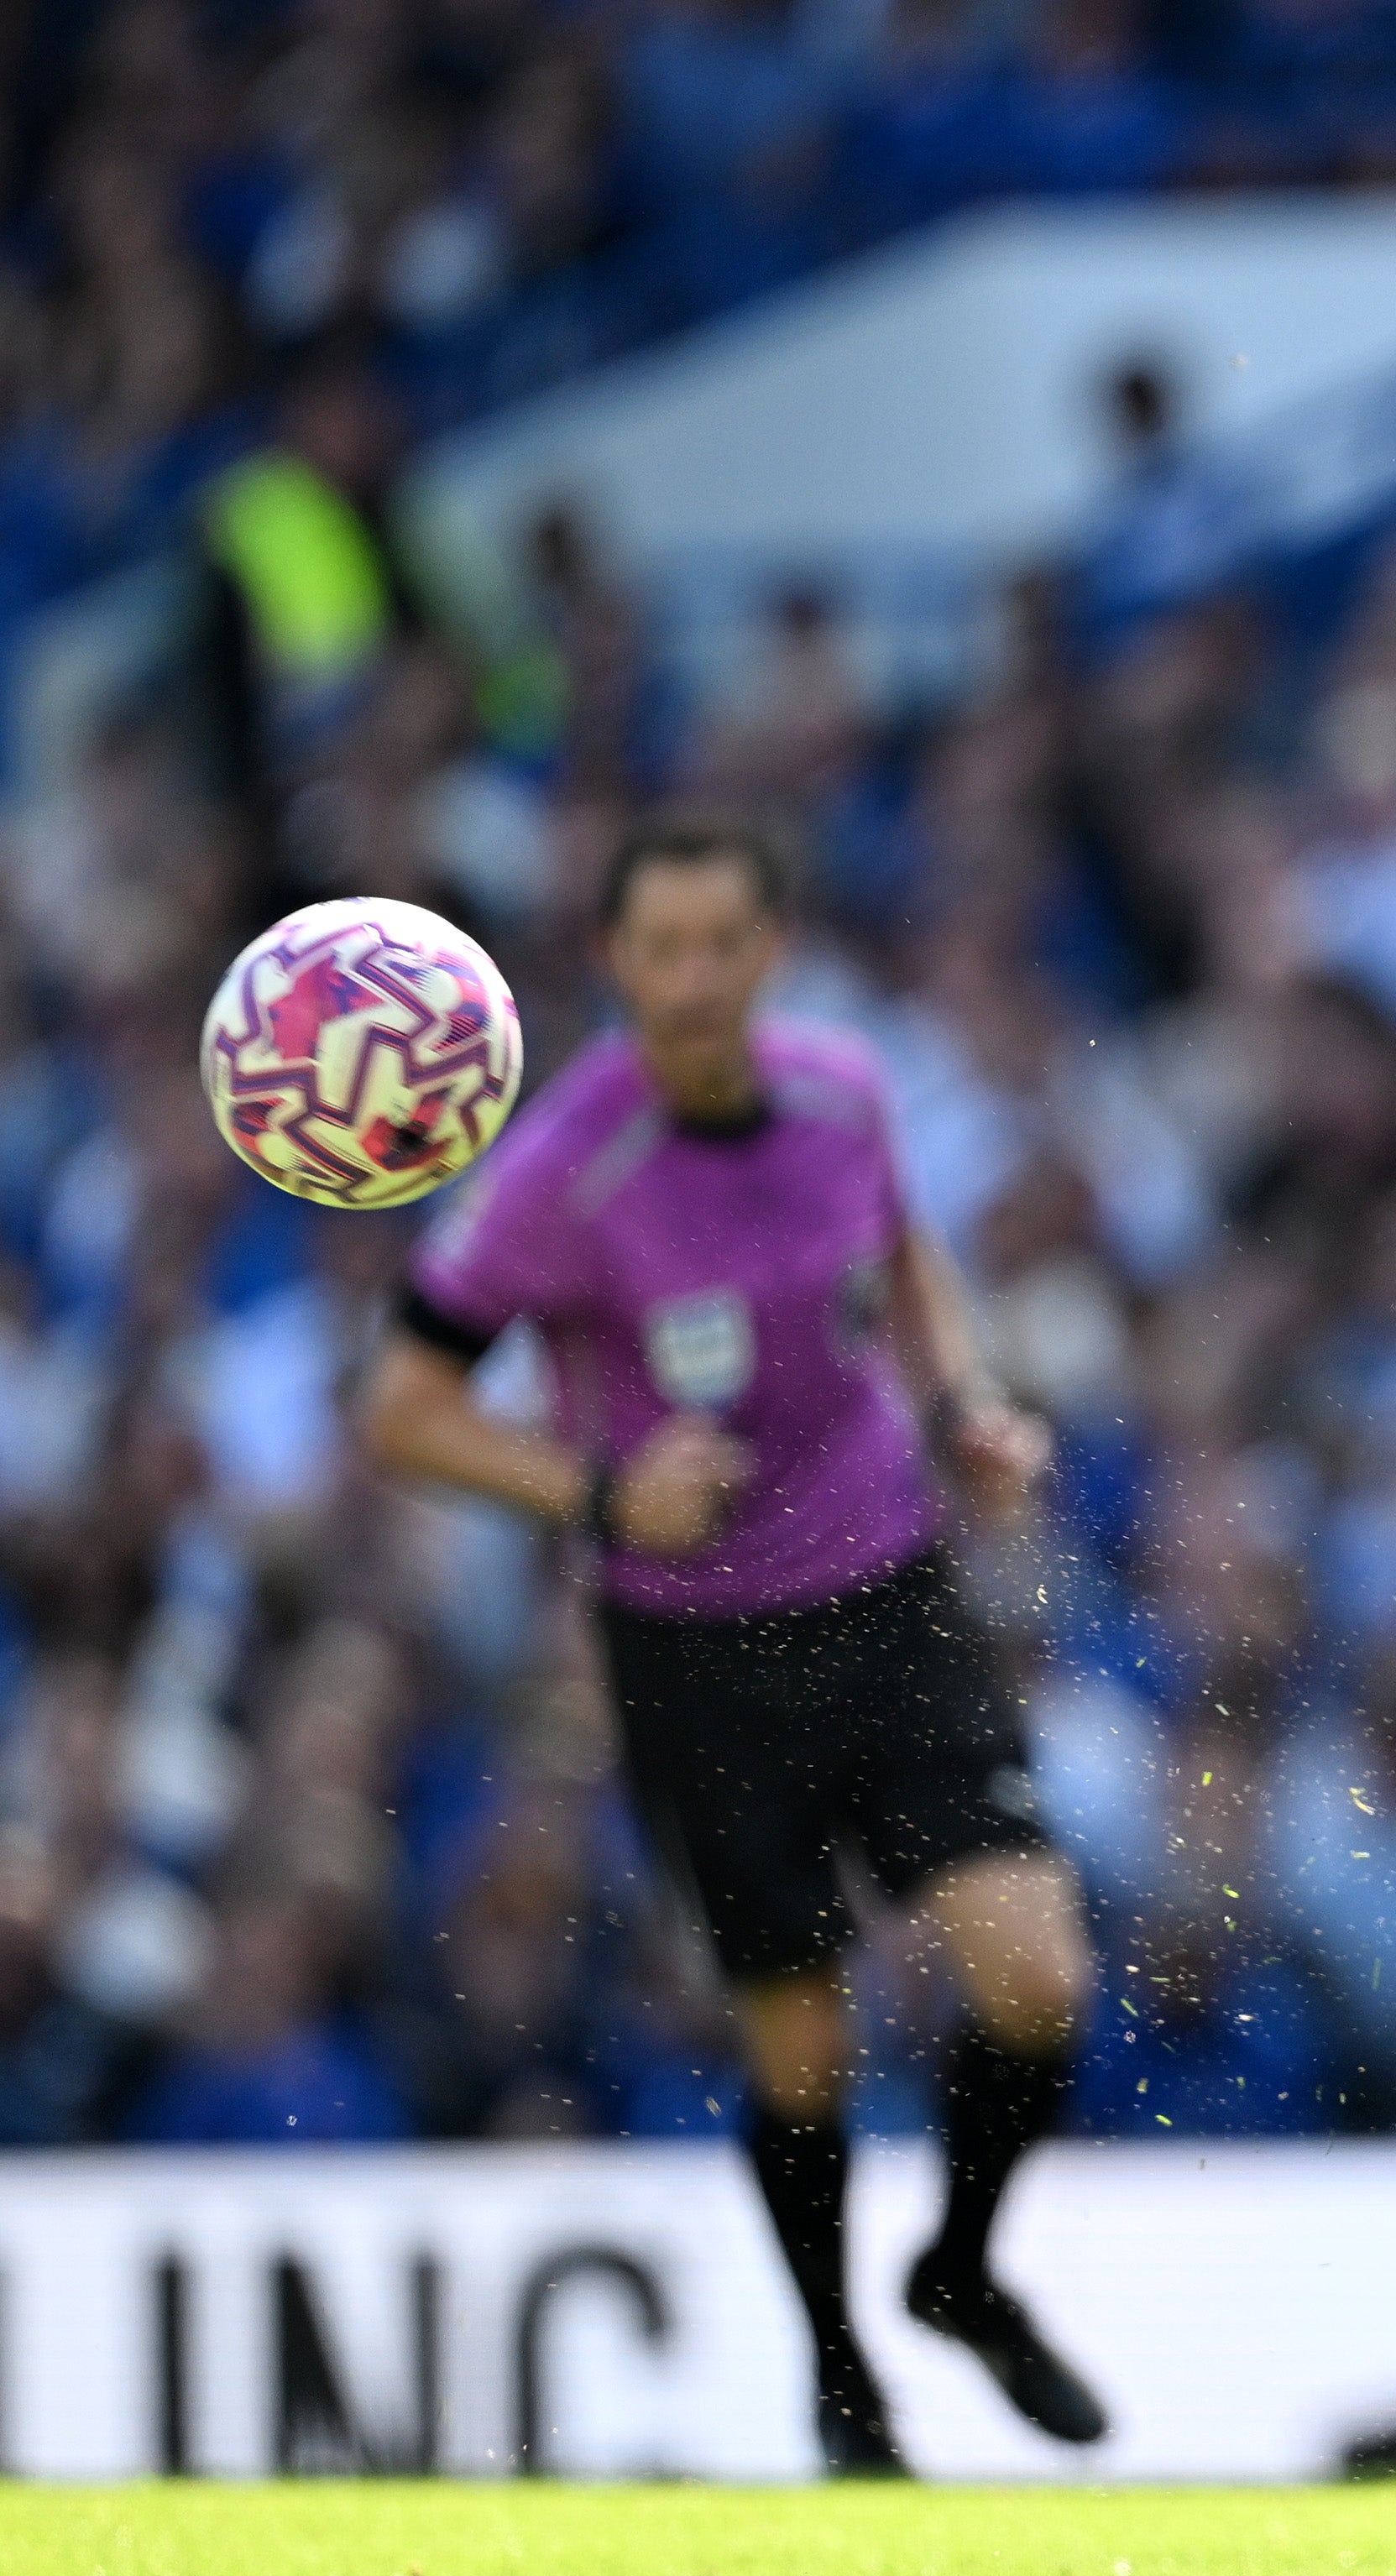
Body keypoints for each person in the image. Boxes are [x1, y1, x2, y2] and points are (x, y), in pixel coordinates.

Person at [358, 813, 1111, 2477]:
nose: (692, 982)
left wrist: (965, 1405)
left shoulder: (846, 1094)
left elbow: (906, 1264)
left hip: (888, 1591)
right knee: (805, 2039)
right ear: (615, 964)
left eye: (722, 947)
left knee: (1038, 1974)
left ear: (769, 953)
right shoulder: (562, 1172)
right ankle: (840, 2375)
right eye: (659, 952)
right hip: (697, 1654)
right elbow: (400, 1408)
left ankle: (961, 2271)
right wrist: (598, 1488)